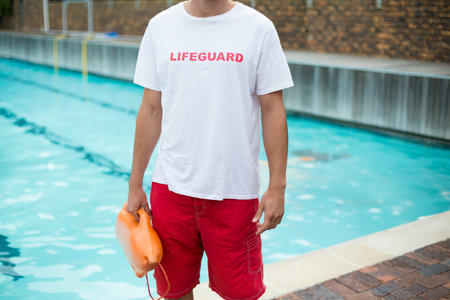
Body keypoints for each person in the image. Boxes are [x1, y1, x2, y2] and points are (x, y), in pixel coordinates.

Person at [127, 0, 293, 299]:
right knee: (174, 292)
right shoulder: (160, 27)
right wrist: (135, 182)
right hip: (171, 189)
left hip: (234, 192)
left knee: (241, 294)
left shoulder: (258, 29)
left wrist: (277, 186)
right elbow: (151, 108)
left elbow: (272, 109)